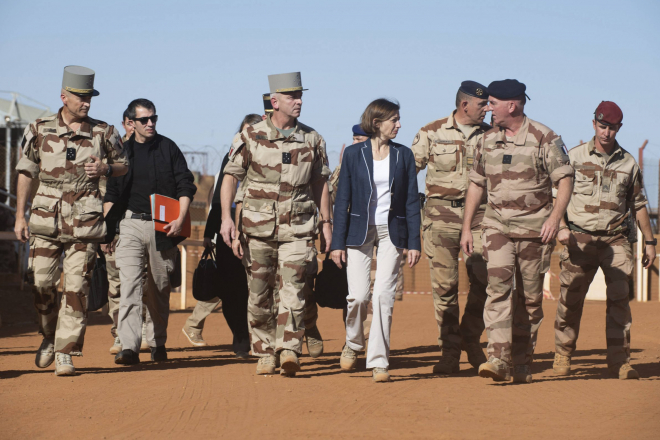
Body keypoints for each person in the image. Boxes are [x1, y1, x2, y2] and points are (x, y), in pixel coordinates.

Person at [14, 66, 128, 376]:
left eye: (89, 97)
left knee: (77, 288)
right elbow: (26, 172)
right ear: (63, 97)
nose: (86, 103)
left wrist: (104, 169)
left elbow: (123, 166)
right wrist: (19, 216)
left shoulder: (104, 131)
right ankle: (50, 336)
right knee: (42, 285)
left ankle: (66, 352)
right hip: (44, 217)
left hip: (85, 219)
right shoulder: (38, 128)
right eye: (81, 97)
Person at [461, 79, 574, 383]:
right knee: (497, 288)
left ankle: (522, 361)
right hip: (496, 226)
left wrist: (555, 219)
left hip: (535, 229)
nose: (488, 108)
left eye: (492, 103)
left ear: (511, 105)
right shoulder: (486, 140)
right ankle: (498, 358)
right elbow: (475, 183)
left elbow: (564, 179)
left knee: (529, 301)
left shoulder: (544, 138)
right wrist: (466, 229)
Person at [220, 72, 332, 377]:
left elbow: (321, 182)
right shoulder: (250, 136)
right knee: (259, 293)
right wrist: (227, 218)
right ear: (274, 101)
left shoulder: (312, 139)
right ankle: (265, 351)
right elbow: (230, 177)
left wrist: (326, 222)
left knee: (293, 288)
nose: (299, 102)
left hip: (298, 227)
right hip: (257, 229)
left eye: (300, 96)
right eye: (292, 97)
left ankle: (289, 349)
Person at [553, 101, 655, 380]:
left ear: (619, 128)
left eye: (612, 128)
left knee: (620, 301)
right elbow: (556, 197)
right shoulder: (573, 157)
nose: (606, 132)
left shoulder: (628, 162)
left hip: (616, 240)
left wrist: (649, 241)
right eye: (602, 126)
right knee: (570, 299)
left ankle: (619, 361)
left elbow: (639, 203)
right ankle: (563, 353)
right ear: (594, 123)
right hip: (578, 240)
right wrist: (560, 226)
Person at [331, 98, 421, 382]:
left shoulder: (403, 155)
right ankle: (354, 342)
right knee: (358, 296)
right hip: (358, 231)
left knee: (383, 296)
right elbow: (342, 199)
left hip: (391, 231)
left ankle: (379, 360)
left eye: (398, 119)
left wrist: (414, 242)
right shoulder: (354, 154)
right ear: (376, 123)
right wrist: (336, 243)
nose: (399, 124)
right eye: (394, 119)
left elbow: (410, 201)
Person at [103, 98, 196, 365]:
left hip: (163, 226)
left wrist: (180, 217)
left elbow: (185, 185)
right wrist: (109, 232)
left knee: (159, 288)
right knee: (130, 285)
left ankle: (157, 342)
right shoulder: (122, 153)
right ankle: (129, 347)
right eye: (144, 120)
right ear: (131, 123)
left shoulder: (168, 148)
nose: (150, 123)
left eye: (153, 118)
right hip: (130, 224)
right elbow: (111, 194)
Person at [411, 81, 491, 374]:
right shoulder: (431, 132)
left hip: (482, 217)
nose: (488, 109)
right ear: (464, 105)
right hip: (440, 217)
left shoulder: (493, 135)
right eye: (483, 105)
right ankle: (450, 350)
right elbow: (408, 171)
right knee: (445, 287)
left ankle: (471, 339)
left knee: (487, 280)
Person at [181, 114, 262, 357]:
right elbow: (218, 199)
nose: (250, 135)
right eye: (247, 130)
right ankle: (240, 337)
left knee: (258, 289)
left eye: (256, 130)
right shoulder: (232, 156)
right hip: (229, 233)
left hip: (260, 231)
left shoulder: (270, 156)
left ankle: (260, 338)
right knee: (230, 290)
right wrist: (209, 232)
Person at [106, 108, 153, 355]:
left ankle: (143, 329)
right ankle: (119, 334)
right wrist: (108, 231)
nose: (136, 127)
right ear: (126, 124)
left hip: (137, 223)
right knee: (117, 284)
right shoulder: (115, 153)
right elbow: (109, 193)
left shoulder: (148, 150)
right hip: (115, 225)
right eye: (132, 123)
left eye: (147, 120)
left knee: (141, 281)